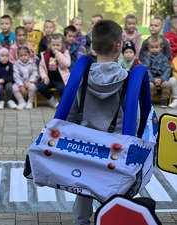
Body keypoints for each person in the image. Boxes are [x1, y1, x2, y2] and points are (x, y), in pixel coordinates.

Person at [67, 19, 129, 225]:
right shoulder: (128, 79)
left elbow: (71, 110)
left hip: (85, 143)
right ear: (118, 47)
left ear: (92, 47)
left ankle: (81, 221)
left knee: (84, 185)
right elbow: (135, 118)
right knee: (116, 185)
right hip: (116, 146)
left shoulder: (81, 77)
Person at [38, 33, 71, 109]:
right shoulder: (45, 54)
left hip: (60, 80)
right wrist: (44, 77)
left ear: (62, 45)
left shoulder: (65, 53)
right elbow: (41, 67)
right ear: (50, 45)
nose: (55, 47)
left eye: (58, 45)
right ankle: (52, 100)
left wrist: (58, 55)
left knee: (62, 89)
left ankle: (64, 103)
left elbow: (66, 64)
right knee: (41, 87)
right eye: (53, 45)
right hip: (49, 79)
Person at [141, 36, 171, 108]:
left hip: (162, 78)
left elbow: (167, 69)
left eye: (156, 47)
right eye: (152, 47)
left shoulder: (163, 58)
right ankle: (148, 101)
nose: (154, 49)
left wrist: (162, 79)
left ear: (161, 47)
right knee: (149, 85)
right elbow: (146, 69)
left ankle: (164, 100)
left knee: (167, 84)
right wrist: (153, 79)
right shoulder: (146, 58)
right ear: (148, 47)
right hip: (151, 78)